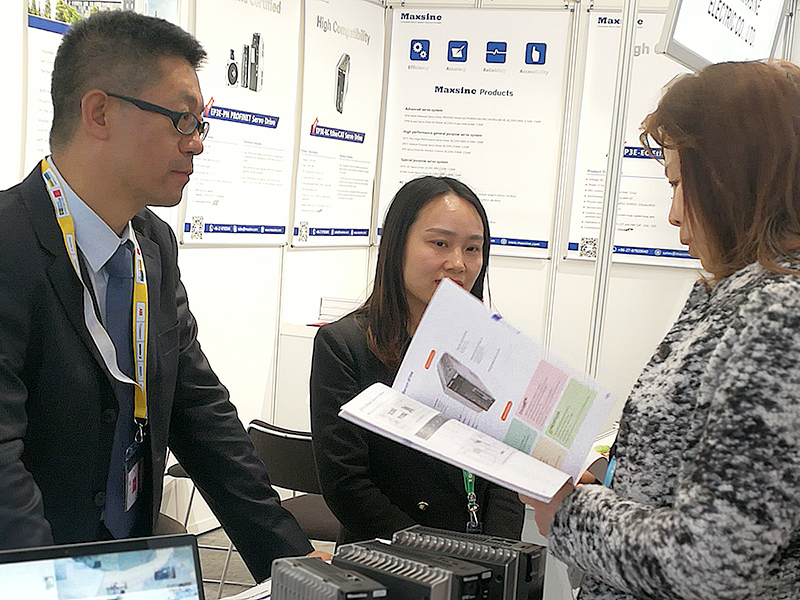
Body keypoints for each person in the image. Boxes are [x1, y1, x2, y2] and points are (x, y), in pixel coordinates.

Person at [0, 10, 326, 580]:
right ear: (99, 113)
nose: (196, 143)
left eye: (201, 124)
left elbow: (199, 413)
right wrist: (50, 588)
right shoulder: (10, 241)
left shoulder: (152, 244)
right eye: (181, 120)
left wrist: (293, 563)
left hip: (132, 563)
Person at [523, 61, 800, 599]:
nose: (673, 214)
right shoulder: (736, 299)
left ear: (729, 182)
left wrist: (569, 512)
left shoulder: (779, 314)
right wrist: (612, 479)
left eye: (677, 184)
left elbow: (710, 560)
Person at [310, 176, 525, 544]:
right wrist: (433, 553)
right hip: (389, 556)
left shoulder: (490, 344)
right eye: (440, 244)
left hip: (481, 556)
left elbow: (508, 471)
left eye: (472, 249)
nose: (458, 263)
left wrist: (495, 551)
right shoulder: (345, 345)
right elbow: (346, 485)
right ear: (397, 246)